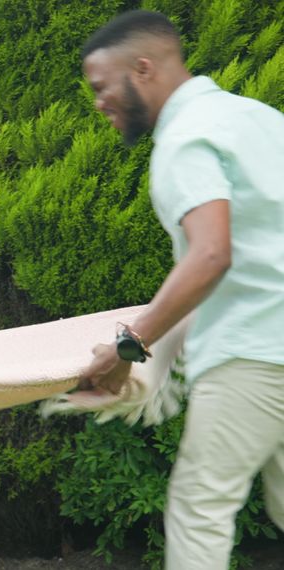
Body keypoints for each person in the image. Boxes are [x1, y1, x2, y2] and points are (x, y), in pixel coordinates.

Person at [78, 9, 284, 569]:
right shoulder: (260, 119)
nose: (98, 103)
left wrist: (129, 348)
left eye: (101, 87)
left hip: (256, 355)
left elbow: (212, 255)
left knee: (200, 510)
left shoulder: (185, 139)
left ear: (142, 69)